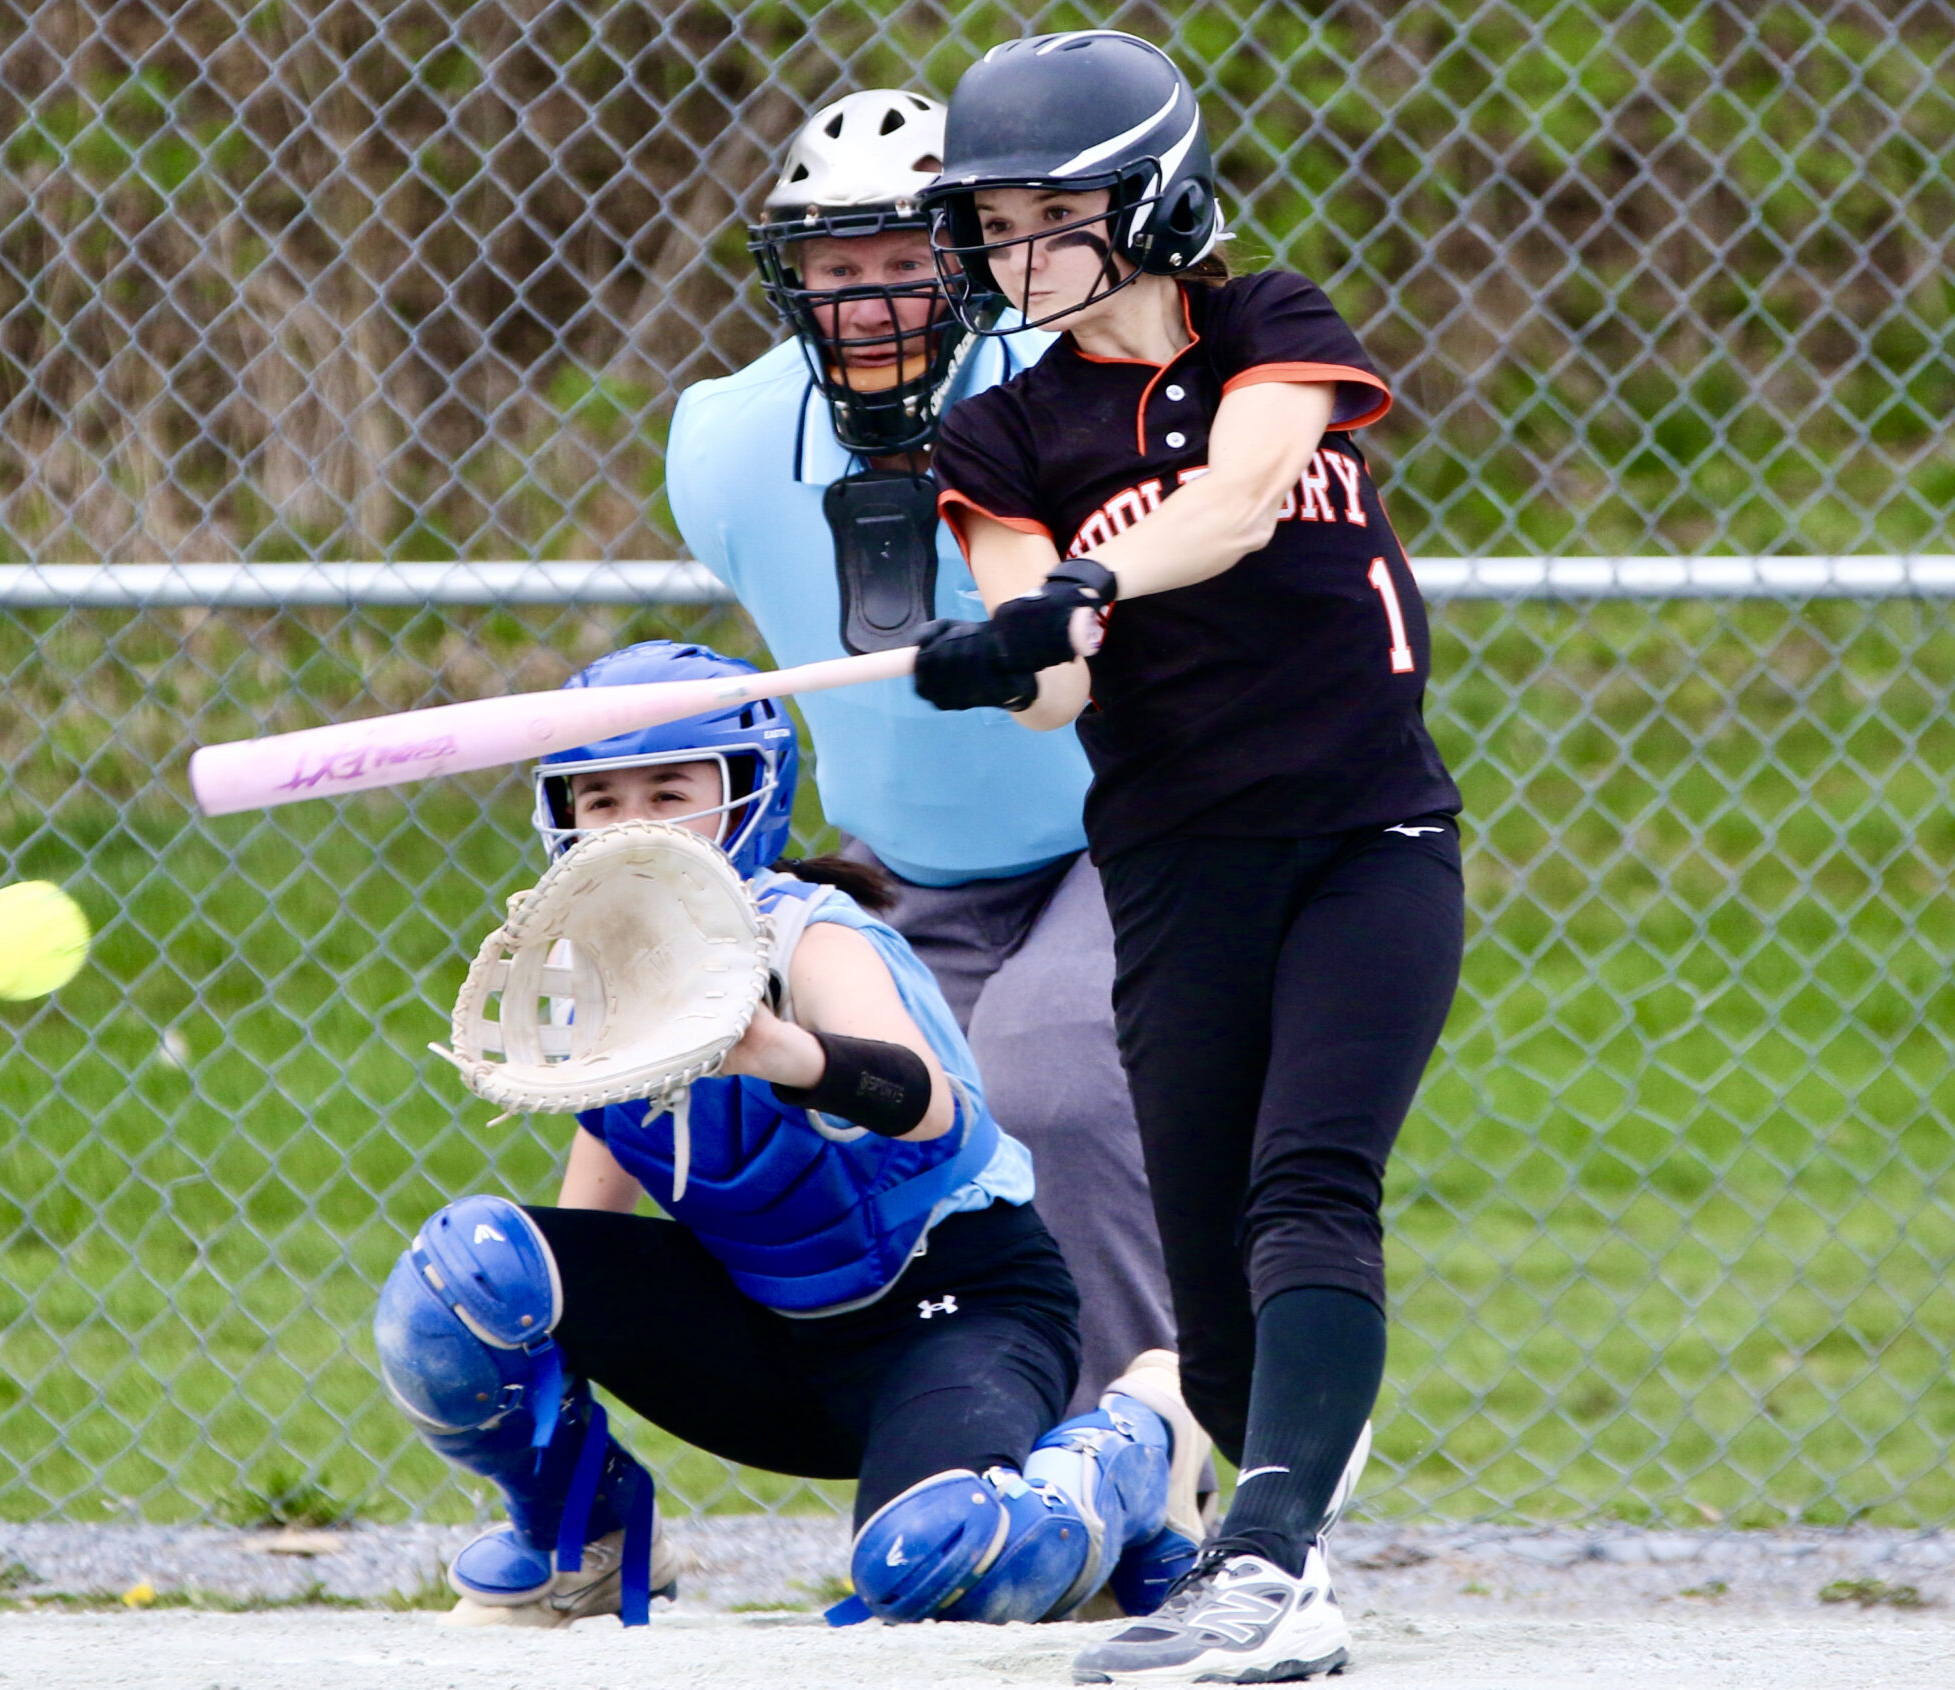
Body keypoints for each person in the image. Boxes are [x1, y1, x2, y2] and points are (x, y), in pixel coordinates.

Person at [907, 31, 1468, 1685]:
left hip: (1367, 840)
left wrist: (1091, 580)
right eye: (994, 226)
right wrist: (1010, 650)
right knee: (1210, 1278)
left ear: (1153, 202)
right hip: (1173, 869)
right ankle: (1296, 1563)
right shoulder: (1000, 435)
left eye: (1052, 218)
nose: (1018, 254)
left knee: (1310, 1186)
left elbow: (1236, 500)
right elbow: (1058, 692)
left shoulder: (1269, 325)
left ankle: (1265, 1558)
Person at [373, 640, 1210, 1629]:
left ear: (747, 797)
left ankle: (1140, 1437)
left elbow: (927, 1104)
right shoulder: (585, 966)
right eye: (600, 800)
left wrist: (780, 1050)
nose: (633, 826)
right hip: (764, 1332)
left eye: (668, 793)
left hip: (945, 1311)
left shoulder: (810, 932)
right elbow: (601, 1182)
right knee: (463, 1276)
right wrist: (537, 1322)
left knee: (942, 1566)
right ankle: (584, 1538)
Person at [667, 88, 1182, 1426]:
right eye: (838, 268)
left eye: (907, 260)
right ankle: (962, 1442)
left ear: (970, 257)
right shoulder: (722, 444)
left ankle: (1136, 1440)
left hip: (1119, 827)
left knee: (1050, 1086)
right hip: (902, 865)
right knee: (863, 1130)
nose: (872, 300)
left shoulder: (1068, 388)